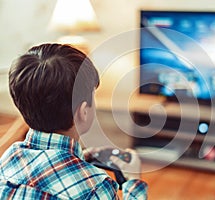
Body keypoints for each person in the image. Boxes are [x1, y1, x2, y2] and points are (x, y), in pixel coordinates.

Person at [0, 43, 148, 199]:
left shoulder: (9, 159)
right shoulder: (95, 187)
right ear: (84, 111)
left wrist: (78, 158)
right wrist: (134, 181)